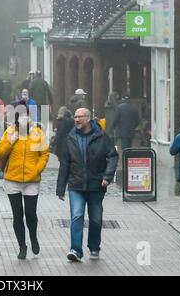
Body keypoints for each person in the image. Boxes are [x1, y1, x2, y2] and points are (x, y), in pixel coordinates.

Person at [56, 108, 118, 262]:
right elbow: (64, 163)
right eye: (75, 116)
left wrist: (107, 177)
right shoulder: (70, 137)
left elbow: (112, 156)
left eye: (80, 117)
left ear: (89, 118)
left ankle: (94, 247)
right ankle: (75, 250)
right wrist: (60, 188)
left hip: (96, 184)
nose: (77, 119)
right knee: (77, 215)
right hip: (76, 185)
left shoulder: (101, 136)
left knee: (96, 218)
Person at [0, 103, 50, 259]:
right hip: (12, 180)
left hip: (31, 180)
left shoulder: (37, 132)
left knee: (31, 214)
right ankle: (22, 246)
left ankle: (33, 237)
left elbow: (45, 153)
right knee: (17, 214)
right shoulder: (10, 131)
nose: (23, 117)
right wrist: (10, 142)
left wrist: (37, 169)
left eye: (26, 114)